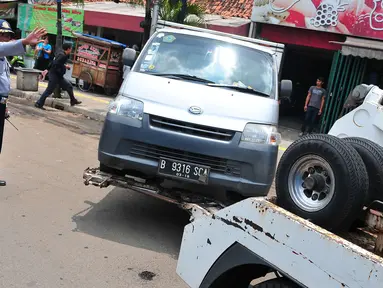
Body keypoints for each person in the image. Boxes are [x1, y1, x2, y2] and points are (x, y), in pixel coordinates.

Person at [0, 20, 47, 186]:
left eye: (8, 35)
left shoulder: (3, 59)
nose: (6, 38)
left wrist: (4, 106)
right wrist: (24, 41)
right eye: (3, 35)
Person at [35, 42, 82, 109]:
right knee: (49, 90)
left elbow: (56, 62)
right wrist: (63, 68)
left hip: (58, 75)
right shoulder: (63, 55)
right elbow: (55, 64)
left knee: (69, 86)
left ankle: (73, 100)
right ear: (68, 49)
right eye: (71, 48)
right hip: (54, 75)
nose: (71, 50)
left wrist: (63, 66)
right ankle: (39, 103)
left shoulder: (61, 54)